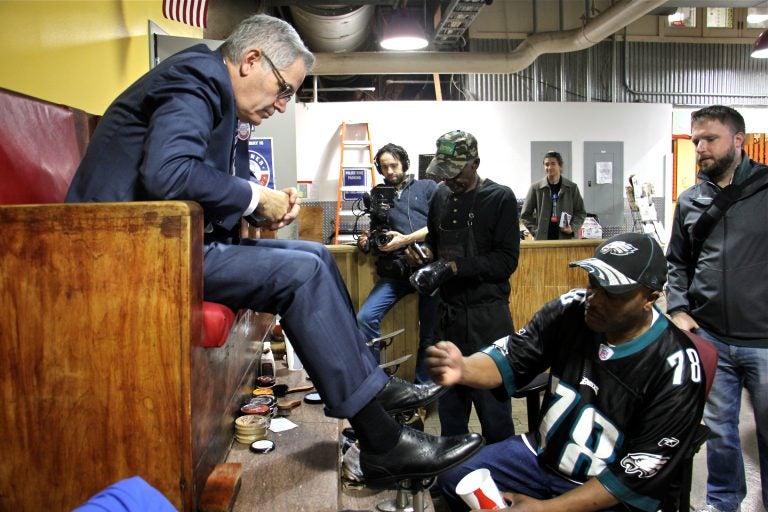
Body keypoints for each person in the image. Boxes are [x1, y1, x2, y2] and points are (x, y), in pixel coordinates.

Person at [64, 14, 483, 486]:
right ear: (250, 61)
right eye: (284, 89)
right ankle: (383, 444)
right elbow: (168, 172)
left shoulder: (219, 96)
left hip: (161, 245)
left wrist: (261, 209)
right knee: (300, 273)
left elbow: (197, 189)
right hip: (117, 253)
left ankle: (375, 391)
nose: (284, 105)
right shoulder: (195, 77)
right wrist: (252, 197)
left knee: (315, 256)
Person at [427, 233, 708, 512]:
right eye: (593, 283)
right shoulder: (571, 309)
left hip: (605, 487)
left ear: (650, 298)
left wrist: (544, 509)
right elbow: (511, 357)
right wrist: (463, 368)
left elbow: (631, 478)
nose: (594, 299)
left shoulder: (678, 368)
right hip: (543, 456)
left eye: (612, 294)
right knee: (454, 476)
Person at [666, 105, 768, 512]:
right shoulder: (691, 200)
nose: (701, 148)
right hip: (711, 339)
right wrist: (678, 308)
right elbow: (676, 262)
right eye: (695, 141)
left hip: (764, 340)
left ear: (738, 140)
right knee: (720, 433)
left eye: (710, 139)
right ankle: (723, 502)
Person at [408, 130, 520, 444]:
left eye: (455, 173)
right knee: (451, 413)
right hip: (449, 319)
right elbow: (433, 240)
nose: (449, 181)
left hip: (488, 321)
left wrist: (456, 267)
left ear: (476, 163)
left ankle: (502, 482)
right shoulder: (440, 196)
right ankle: (452, 482)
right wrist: (426, 254)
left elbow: (505, 261)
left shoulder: (500, 198)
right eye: (443, 174)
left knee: (495, 415)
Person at [356, 143, 439, 382]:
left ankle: (423, 388)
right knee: (365, 318)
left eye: (394, 165)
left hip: (429, 269)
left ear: (404, 163)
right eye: (385, 167)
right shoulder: (379, 194)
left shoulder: (427, 187)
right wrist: (368, 240)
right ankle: (374, 382)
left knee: (430, 334)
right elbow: (377, 232)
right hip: (397, 273)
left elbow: (437, 225)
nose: (390, 171)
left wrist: (405, 240)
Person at [521, 150, 586, 240]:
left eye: (553, 164)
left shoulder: (572, 188)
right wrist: (536, 231)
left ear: (560, 166)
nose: (549, 167)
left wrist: (572, 227)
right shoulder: (536, 188)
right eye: (547, 164)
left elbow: (580, 212)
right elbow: (525, 214)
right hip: (543, 240)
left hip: (566, 239)